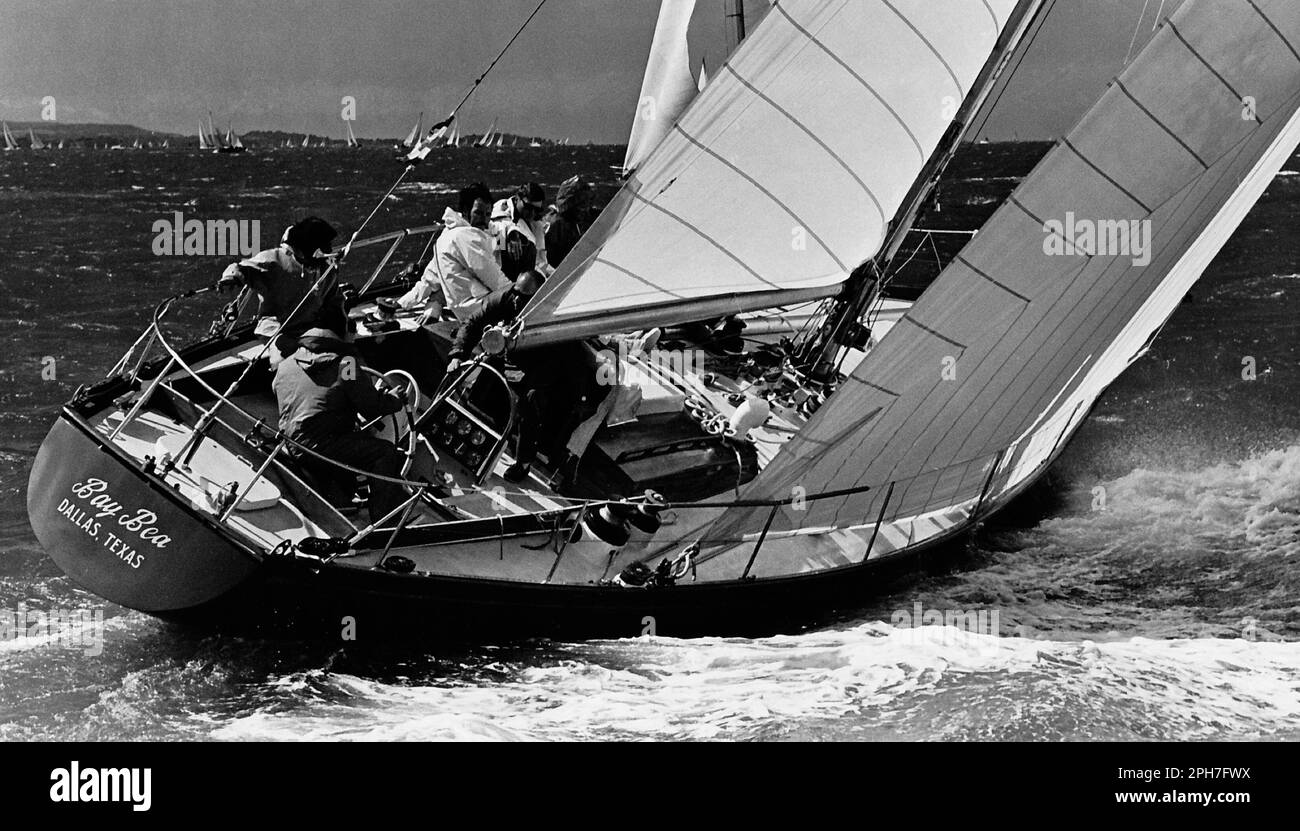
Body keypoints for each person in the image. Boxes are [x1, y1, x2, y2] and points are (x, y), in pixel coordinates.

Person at [447, 271, 603, 483]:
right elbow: (474, 322)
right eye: (517, 294)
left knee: (529, 404)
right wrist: (457, 355)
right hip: (509, 353)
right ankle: (469, 429)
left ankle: (523, 462)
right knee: (484, 378)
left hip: (545, 361)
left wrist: (580, 395)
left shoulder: (553, 314)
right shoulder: (505, 298)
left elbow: (570, 357)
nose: (519, 300)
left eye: (526, 298)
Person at [270, 327, 409, 523]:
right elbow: (371, 407)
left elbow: (277, 389)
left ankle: (345, 494)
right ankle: (386, 523)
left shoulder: (287, 363)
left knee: (351, 439)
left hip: (290, 440)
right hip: (321, 445)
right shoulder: (347, 363)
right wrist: (394, 400)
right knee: (384, 452)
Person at [392, 183, 510, 321]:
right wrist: (519, 294)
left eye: (488, 214)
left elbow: (430, 277)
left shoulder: (448, 233)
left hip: (461, 304)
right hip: (477, 307)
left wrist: (402, 303)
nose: (484, 219)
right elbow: (494, 279)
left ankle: (433, 308)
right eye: (478, 213)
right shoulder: (466, 237)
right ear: (465, 211)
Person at [217, 216, 345, 338]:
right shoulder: (274, 260)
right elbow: (241, 268)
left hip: (310, 329)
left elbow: (335, 302)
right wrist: (231, 278)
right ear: (306, 248)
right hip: (276, 331)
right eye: (323, 247)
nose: (329, 250)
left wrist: (342, 327)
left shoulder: (327, 270)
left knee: (341, 352)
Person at [508, 182, 553, 278]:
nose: (532, 213)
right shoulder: (501, 211)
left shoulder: (537, 225)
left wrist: (554, 275)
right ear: (517, 199)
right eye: (528, 207)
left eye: (537, 210)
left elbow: (540, 261)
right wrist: (512, 232)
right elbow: (498, 222)